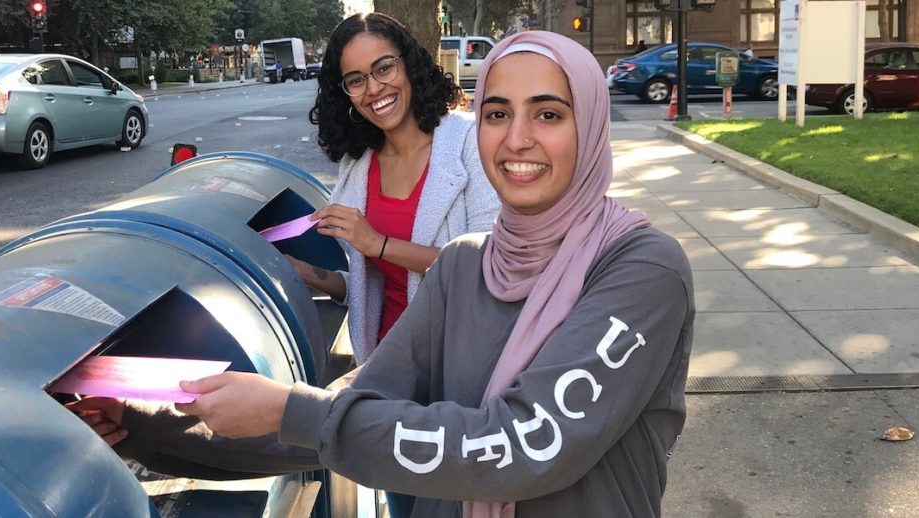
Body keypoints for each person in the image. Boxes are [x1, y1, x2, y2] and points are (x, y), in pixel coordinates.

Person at [70, 30, 694, 518]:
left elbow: (522, 446)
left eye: (549, 115)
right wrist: (140, 420)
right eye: (497, 114)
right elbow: (344, 413)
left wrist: (302, 413)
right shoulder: (464, 266)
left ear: (592, 126)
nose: (517, 140)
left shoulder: (642, 270)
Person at [293, 12, 499, 369]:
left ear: (409, 65)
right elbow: (369, 287)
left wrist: (379, 244)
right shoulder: (358, 166)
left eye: (384, 68)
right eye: (355, 80)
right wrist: (305, 273)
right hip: (386, 369)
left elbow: (489, 267)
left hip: (461, 367)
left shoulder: (469, 144)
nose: (373, 89)